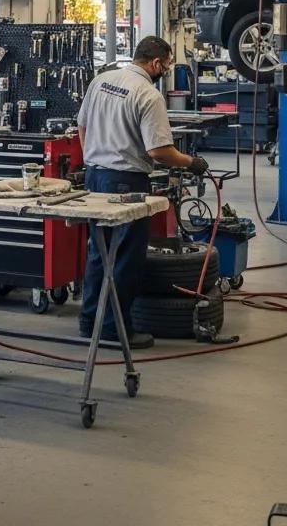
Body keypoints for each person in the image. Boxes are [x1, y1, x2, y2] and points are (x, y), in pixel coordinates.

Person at [76, 36, 209, 349]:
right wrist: (191, 162)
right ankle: (114, 329)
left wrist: (93, 159)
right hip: (127, 183)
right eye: (167, 65)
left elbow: (82, 125)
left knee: (99, 252)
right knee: (125, 258)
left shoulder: (101, 80)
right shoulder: (148, 94)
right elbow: (159, 151)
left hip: (95, 178)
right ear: (156, 62)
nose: (165, 71)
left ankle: (89, 321)